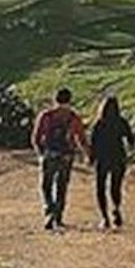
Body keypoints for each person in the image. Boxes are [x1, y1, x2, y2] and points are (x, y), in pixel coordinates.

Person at [32, 87, 89, 230]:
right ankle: (58, 216)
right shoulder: (73, 117)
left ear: (54, 99)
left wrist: (41, 153)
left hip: (50, 153)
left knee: (46, 185)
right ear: (70, 100)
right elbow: (81, 139)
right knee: (62, 186)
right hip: (66, 155)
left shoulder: (46, 116)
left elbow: (36, 137)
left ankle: (49, 210)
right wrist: (87, 154)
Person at [89, 94, 135, 229]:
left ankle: (104, 218)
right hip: (118, 157)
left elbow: (93, 142)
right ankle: (116, 208)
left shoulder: (99, 123)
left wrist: (91, 158)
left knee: (101, 188)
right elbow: (131, 139)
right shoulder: (121, 121)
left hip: (102, 158)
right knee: (116, 186)